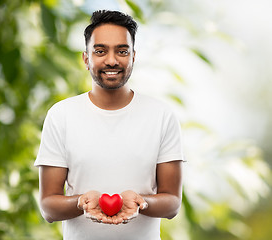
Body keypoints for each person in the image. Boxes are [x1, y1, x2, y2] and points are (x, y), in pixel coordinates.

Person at [34, 10, 184, 240]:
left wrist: (142, 202)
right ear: (86, 59)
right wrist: (81, 202)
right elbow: (48, 207)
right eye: (100, 51)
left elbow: (172, 203)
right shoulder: (61, 115)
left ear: (133, 56)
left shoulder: (161, 115)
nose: (112, 60)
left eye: (122, 51)